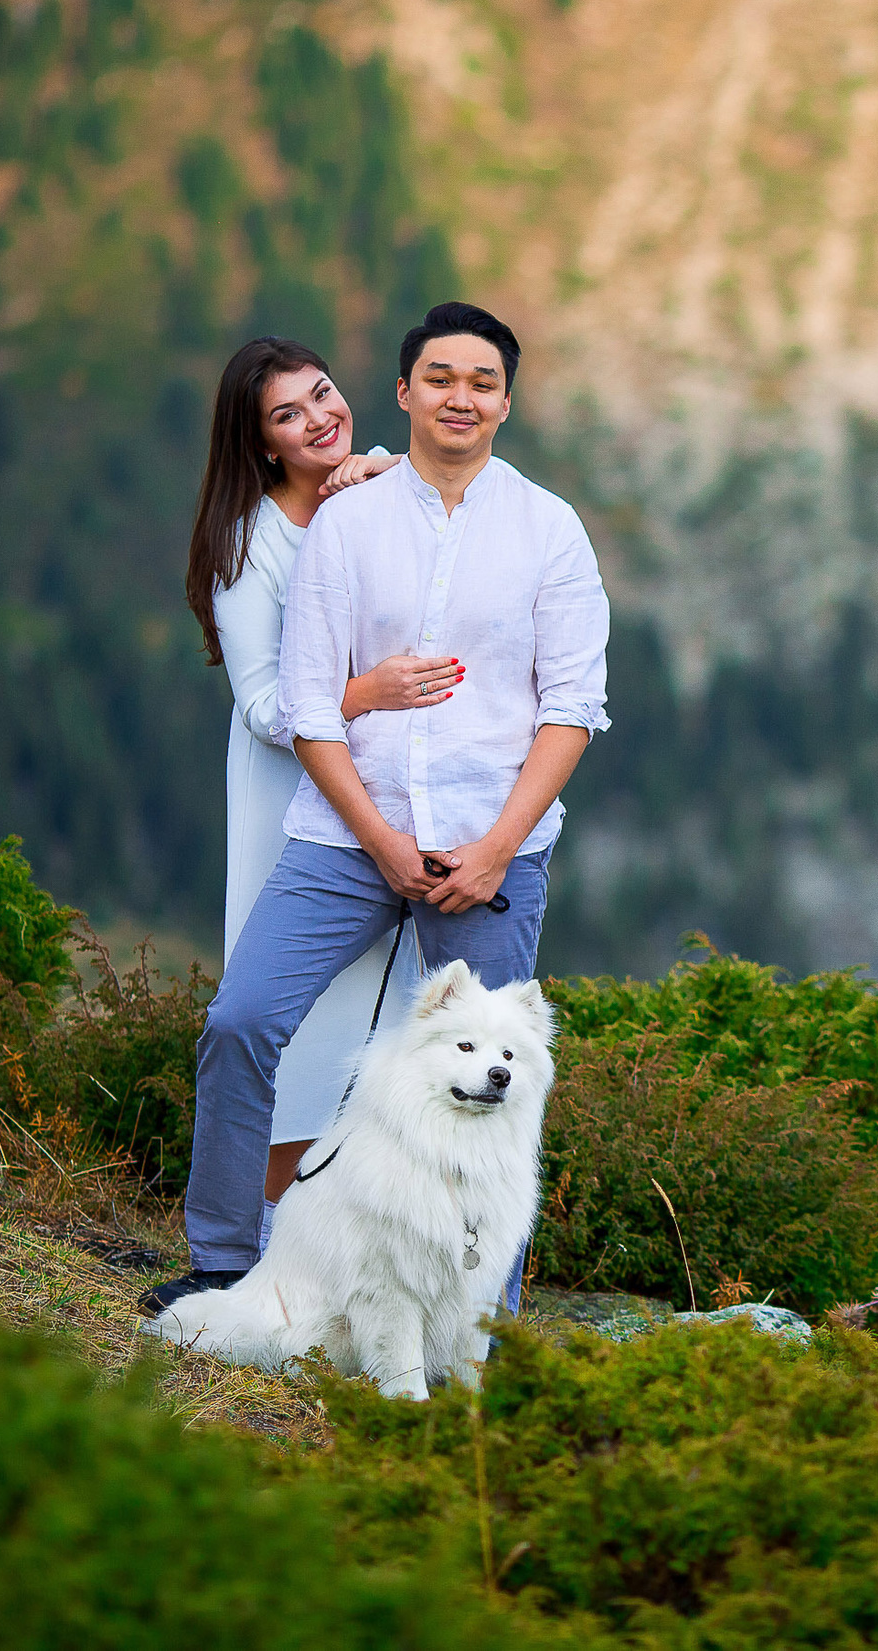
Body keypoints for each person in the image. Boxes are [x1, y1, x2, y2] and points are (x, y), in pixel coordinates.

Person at [145, 302, 610, 1319]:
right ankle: (225, 1262)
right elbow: (307, 705)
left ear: (506, 403)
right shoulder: (345, 524)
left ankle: (484, 1311)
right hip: (347, 839)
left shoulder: (549, 531)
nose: (460, 396)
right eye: (439, 377)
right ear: (404, 392)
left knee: (499, 1073)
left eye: (481, 382)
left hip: (493, 849)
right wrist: (385, 843)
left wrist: (494, 850)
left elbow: (572, 708)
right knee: (240, 1021)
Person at [178, 337, 457, 1258]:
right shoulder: (249, 543)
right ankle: (262, 1237)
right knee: (292, 1016)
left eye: (323, 393)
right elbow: (264, 708)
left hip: (389, 786)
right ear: (259, 444)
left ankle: (356, 1233)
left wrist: (380, 468)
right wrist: (367, 692)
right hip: (289, 791)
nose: (319, 418)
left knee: (388, 1011)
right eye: (288, 414)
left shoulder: (378, 490)